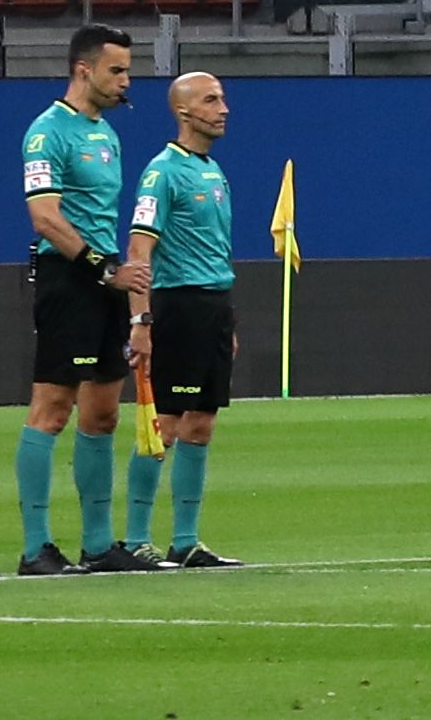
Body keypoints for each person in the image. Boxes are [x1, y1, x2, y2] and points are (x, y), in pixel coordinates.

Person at [13, 22, 146, 573]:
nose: (125, 82)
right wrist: (101, 269)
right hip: (71, 279)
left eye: (128, 72)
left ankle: (98, 544)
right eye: (116, 71)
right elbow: (45, 218)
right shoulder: (48, 132)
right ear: (83, 69)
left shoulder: (107, 134)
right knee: (53, 407)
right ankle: (35, 547)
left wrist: (113, 274)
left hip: (106, 280)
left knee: (104, 413)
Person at [119, 70, 238, 568]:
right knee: (162, 424)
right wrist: (140, 321)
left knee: (201, 424)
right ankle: (134, 540)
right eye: (211, 100)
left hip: (212, 305)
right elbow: (139, 248)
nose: (224, 108)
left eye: (223, 99)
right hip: (176, 306)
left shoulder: (213, 171)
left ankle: (186, 540)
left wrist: (226, 323)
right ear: (184, 111)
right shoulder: (163, 171)